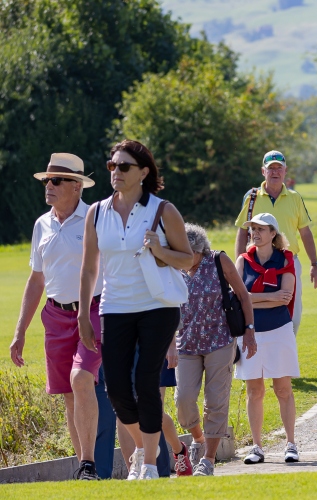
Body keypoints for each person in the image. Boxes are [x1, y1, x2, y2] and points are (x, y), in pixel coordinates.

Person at [78, 139, 193, 480]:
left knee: (146, 380)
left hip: (157, 307)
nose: (115, 172)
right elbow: (88, 269)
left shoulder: (163, 210)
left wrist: (159, 250)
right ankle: (145, 447)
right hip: (114, 308)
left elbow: (187, 260)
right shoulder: (96, 212)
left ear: (143, 172)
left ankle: (147, 464)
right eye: (112, 165)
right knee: (114, 386)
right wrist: (84, 315)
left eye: (124, 166)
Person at [9, 153, 108, 480]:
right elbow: (37, 279)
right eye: (46, 180)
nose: (48, 186)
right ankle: (85, 468)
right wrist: (20, 330)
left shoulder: (96, 219)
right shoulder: (42, 224)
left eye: (56, 181)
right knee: (68, 393)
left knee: (81, 379)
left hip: (92, 310)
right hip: (55, 315)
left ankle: (89, 463)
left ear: (77, 186)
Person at [174, 223, 256, 476]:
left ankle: (208, 460)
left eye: (185, 252)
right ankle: (198, 438)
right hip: (186, 343)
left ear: (198, 250)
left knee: (216, 401)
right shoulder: (173, 267)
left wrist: (250, 331)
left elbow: (243, 295)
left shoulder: (218, 260)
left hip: (220, 342)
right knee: (183, 400)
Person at [235, 213, 300, 465]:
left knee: (282, 389)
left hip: (279, 331)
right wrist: (268, 298)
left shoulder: (285, 259)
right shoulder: (243, 260)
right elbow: (238, 298)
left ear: (273, 233)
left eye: (261, 229)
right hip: (250, 332)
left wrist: (252, 298)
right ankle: (257, 446)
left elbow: (287, 296)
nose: (255, 233)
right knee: (255, 391)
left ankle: (291, 444)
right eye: (253, 229)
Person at [234, 150, 317, 335]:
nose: (275, 172)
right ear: (263, 171)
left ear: (285, 171)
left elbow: (305, 232)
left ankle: (285, 355)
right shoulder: (251, 197)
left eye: (278, 168)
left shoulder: (295, 198)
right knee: (254, 310)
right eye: (270, 168)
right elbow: (242, 232)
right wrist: (239, 266)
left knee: (293, 315)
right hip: (256, 262)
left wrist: (314, 263)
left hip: (288, 262)